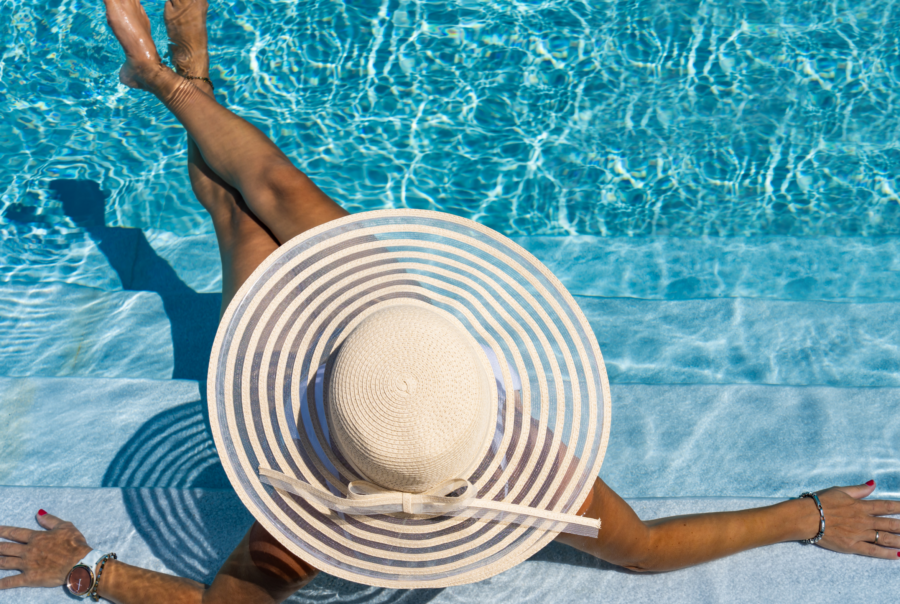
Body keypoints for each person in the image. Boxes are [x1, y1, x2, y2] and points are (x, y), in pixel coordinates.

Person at [0, 0, 897, 601]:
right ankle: (176, 80)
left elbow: (272, 179)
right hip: (373, 339)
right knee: (247, 213)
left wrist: (84, 565)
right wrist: (806, 516)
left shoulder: (309, 513)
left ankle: (181, 81)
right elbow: (645, 552)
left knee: (249, 204)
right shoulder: (520, 478)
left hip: (351, 335)